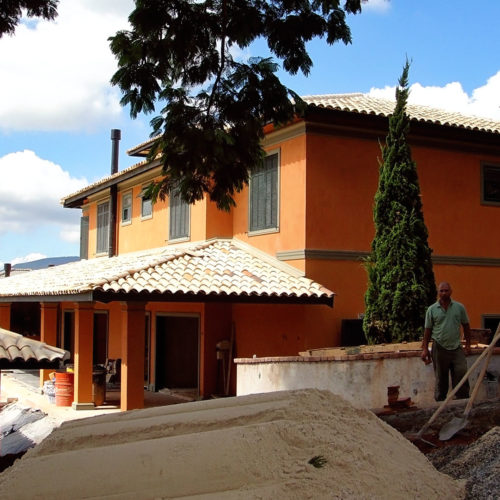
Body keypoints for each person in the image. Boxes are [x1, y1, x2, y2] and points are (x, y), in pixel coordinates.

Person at [421, 281, 471, 401]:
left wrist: (468, 345)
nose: (443, 293)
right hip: (439, 347)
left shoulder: (459, 307)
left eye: (446, 290)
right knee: (441, 378)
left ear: (451, 292)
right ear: (438, 293)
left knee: (461, 373)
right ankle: (440, 403)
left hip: (456, 347)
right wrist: (424, 349)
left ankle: (462, 401)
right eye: (441, 291)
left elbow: (466, 326)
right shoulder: (432, 309)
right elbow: (427, 331)